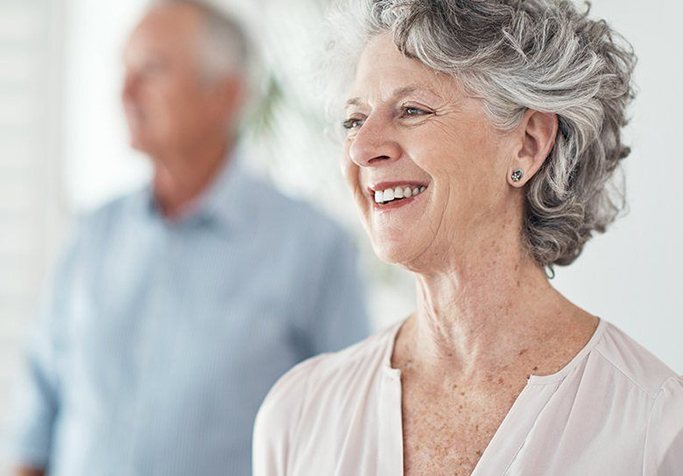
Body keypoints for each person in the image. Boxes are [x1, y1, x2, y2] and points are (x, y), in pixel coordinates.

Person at [253, 0, 683, 474]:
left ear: (528, 143)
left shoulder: (655, 427)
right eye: (354, 120)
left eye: (412, 110)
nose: (362, 147)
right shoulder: (299, 414)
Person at [8, 1, 368, 475]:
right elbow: (34, 427)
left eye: (152, 70)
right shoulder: (90, 238)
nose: (126, 92)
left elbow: (346, 433)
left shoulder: (314, 247)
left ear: (226, 95)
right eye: (125, 69)